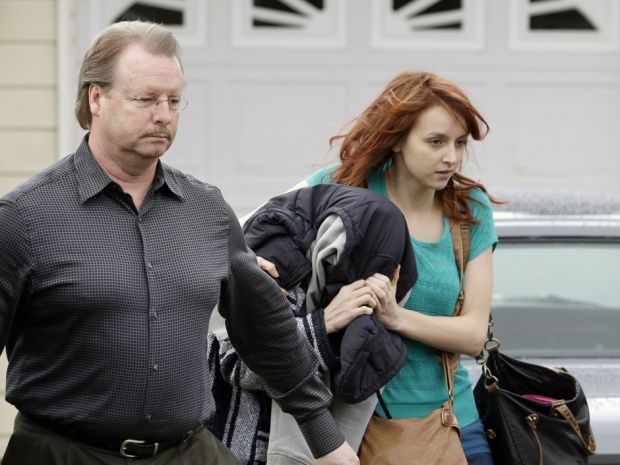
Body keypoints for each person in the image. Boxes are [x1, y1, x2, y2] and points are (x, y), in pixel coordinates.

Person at [0, 21, 358, 465]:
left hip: (187, 452)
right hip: (62, 454)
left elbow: (264, 328)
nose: (164, 115)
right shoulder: (25, 217)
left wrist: (327, 441)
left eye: (173, 100)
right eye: (146, 99)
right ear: (97, 98)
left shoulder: (206, 210)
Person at [277, 71, 500, 464]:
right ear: (397, 139)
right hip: (356, 428)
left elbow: (473, 334)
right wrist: (316, 317)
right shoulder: (344, 189)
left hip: (453, 423)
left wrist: (395, 316)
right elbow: (248, 242)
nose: (451, 156)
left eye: (460, 143)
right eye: (435, 141)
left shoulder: (469, 210)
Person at [208, 183, 418, 465]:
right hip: (236, 450)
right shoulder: (266, 261)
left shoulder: (359, 289)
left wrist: (384, 316)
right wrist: (323, 323)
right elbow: (234, 363)